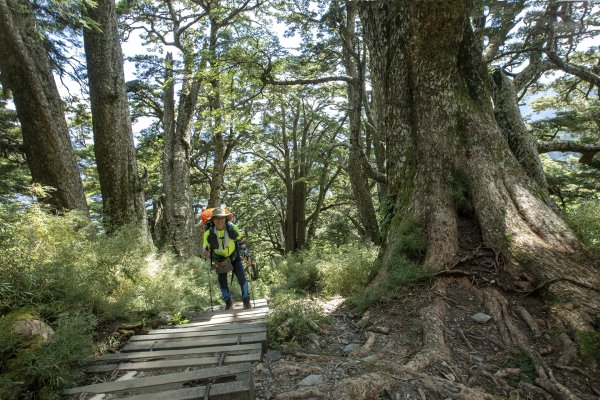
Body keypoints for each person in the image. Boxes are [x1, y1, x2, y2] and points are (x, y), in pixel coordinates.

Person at [201, 207, 252, 310]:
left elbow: (241, 242)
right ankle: (228, 302)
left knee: (242, 278)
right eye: (217, 218)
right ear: (213, 220)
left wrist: (246, 255)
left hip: (234, 256)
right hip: (219, 259)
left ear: (225, 219)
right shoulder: (208, 233)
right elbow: (204, 248)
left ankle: (246, 300)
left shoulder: (232, 228)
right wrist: (205, 252)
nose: (220, 220)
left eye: (222, 218)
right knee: (222, 281)